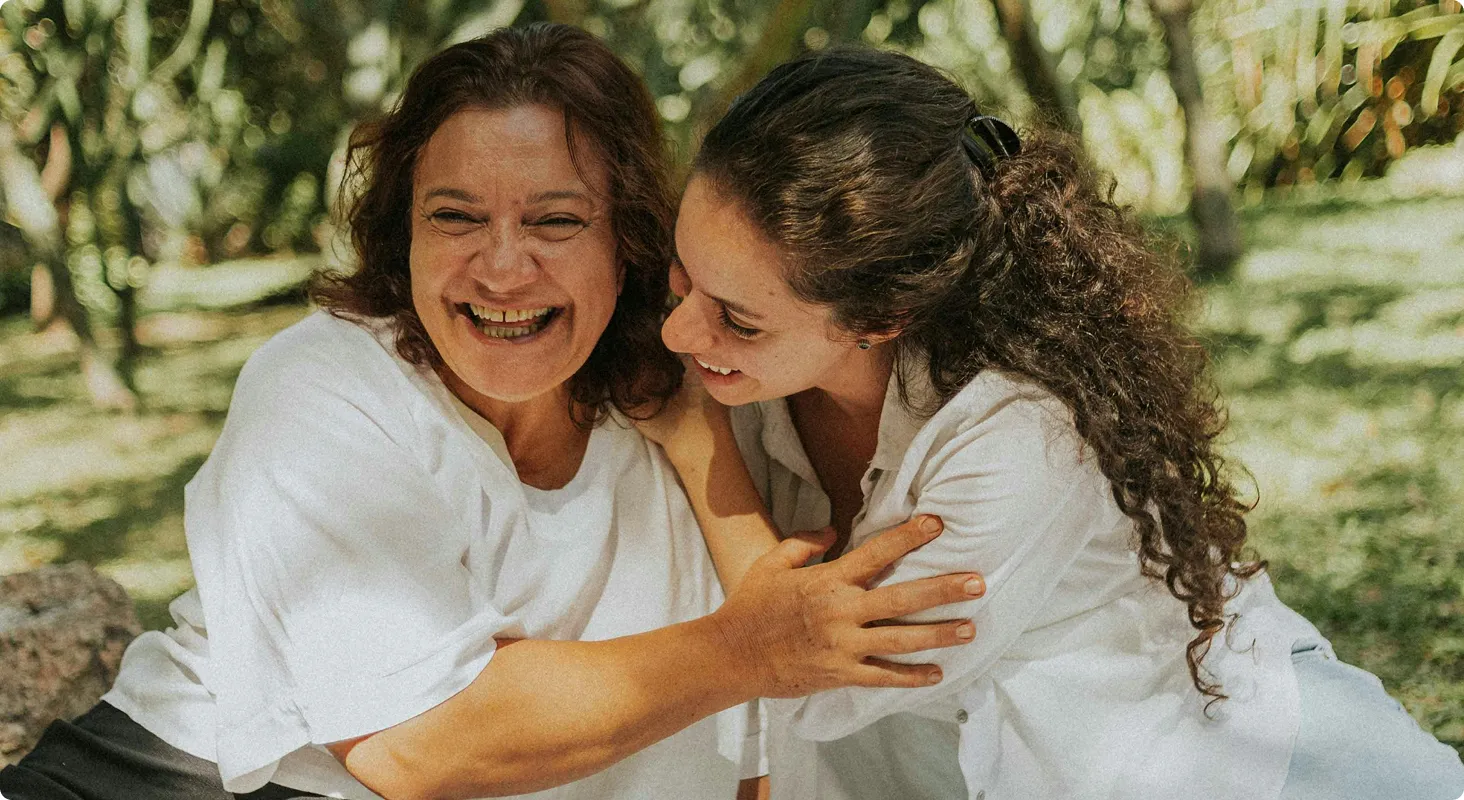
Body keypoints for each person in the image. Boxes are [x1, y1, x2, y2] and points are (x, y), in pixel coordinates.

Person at [0, 28, 987, 800]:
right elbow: (418, 741)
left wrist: (701, 458)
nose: (503, 266)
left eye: (556, 220)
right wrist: (745, 645)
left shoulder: (685, 394)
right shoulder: (322, 389)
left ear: (627, 236)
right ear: (403, 230)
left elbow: (753, 743)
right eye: (455, 215)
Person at [645, 47, 1464, 800]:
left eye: (737, 319)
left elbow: (823, 679)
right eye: (681, 281)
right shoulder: (760, 377)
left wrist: (698, 448)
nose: (678, 336)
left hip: (1261, 769)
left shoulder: (1021, 435)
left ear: (884, 315)